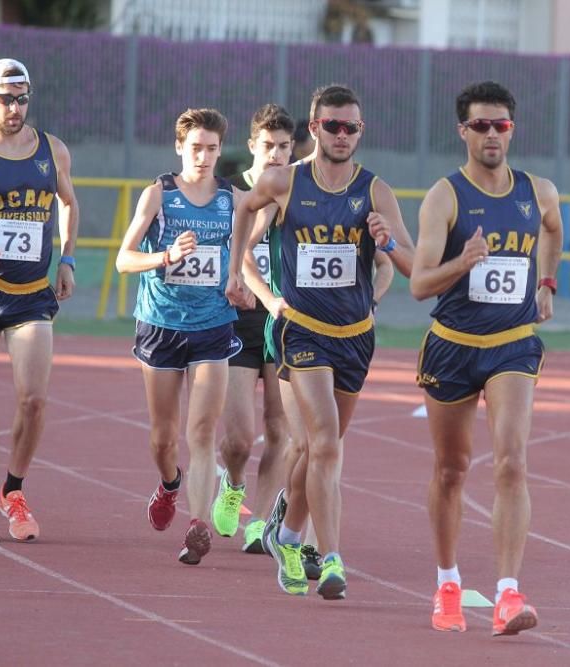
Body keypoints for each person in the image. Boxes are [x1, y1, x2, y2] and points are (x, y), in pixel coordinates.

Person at [227, 84, 413, 598]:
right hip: (301, 331)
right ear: (314, 128)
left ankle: (284, 534)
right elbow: (244, 214)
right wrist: (249, 282)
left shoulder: (375, 191)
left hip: (355, 337)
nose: (341, 135)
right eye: (332, 125)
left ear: (360, 132)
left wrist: (388, 242)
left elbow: (412, 268)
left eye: (350, 127)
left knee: (315, 449)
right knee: (325, 443)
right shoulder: (284, 182)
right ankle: (330, 558)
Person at [411, 81, 563, 636]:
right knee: (451, 470)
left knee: (511, 462)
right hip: (452, 345)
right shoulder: (444, 197)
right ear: (463, 132)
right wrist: (464, 261)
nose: (492, 134)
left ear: (512, 129)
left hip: (512, 343)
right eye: (481, 126)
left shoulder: (538, 190)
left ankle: (506, 593)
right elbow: (420, 284)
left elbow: (553, 230)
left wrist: (546, 283)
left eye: (501, 125)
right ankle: (447, 582)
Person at [116, 108, 242, 564]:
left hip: (212, 325)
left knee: (203, 430)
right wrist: (165, 255)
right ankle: (170, 484)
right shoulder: (158, 195)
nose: (204, 157)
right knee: (163, 439)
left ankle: (198, 524)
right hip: (162, 325)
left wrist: (242, 283)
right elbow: (123, 260)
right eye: (196, 148)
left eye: (212, 148)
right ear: (179, 148)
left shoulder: (233, 199)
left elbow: (254, 242)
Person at [0, 58, 79, 542]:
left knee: (34, 400)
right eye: (6, 98)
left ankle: (13, 491)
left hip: (31, 294)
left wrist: (67, 259)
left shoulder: (51, 150)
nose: (16, 107)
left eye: (23, 98)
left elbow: (69, 202)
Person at [210, 104, 293, 554]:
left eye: (284, 147)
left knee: (280, 428)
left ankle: (260, 523)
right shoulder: (232, 194)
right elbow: (243, 246)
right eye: (268, 146)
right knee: (240, 437)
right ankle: (234, 481)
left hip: (284, 323)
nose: (276, 154)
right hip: (240, 319)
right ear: (251, 148)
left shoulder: (302, 193)